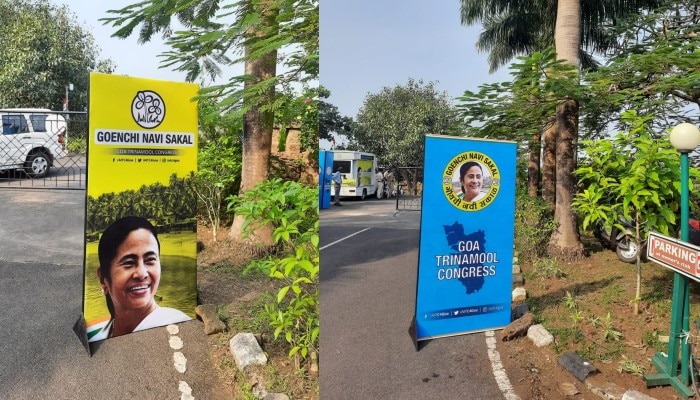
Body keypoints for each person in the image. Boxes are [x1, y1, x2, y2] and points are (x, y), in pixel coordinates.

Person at [89, 216, 190, 341]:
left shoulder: (178, 324)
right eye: (129, 263)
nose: (142, 274)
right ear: (103, 279)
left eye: (150, 260)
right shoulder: (94, 335)